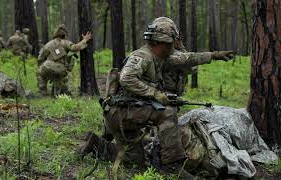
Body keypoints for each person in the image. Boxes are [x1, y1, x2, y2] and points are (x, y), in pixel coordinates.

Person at [99, 17, 197, 178]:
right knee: (167, 112)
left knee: (137, 164)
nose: (173, 47)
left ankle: (96, 146)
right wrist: (155, 94)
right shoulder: (144, 56)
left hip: (127, 117)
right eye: (170, 43)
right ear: (161, 42)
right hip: (123, 115)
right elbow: (126, 78)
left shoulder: (162, 57)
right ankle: (171, 166)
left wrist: (181, 47)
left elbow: (191, 67)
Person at [36, 24, 92, 96]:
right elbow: (75, 48)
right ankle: (59, 94)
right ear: (64, 35)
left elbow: (40, 58)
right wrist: (84, 40)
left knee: (40, 73)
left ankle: (43, 92)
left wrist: (42, 67)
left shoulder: (48, 44)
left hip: (47, 67)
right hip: (60, 69)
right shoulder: (65, 42)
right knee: (59, 80)